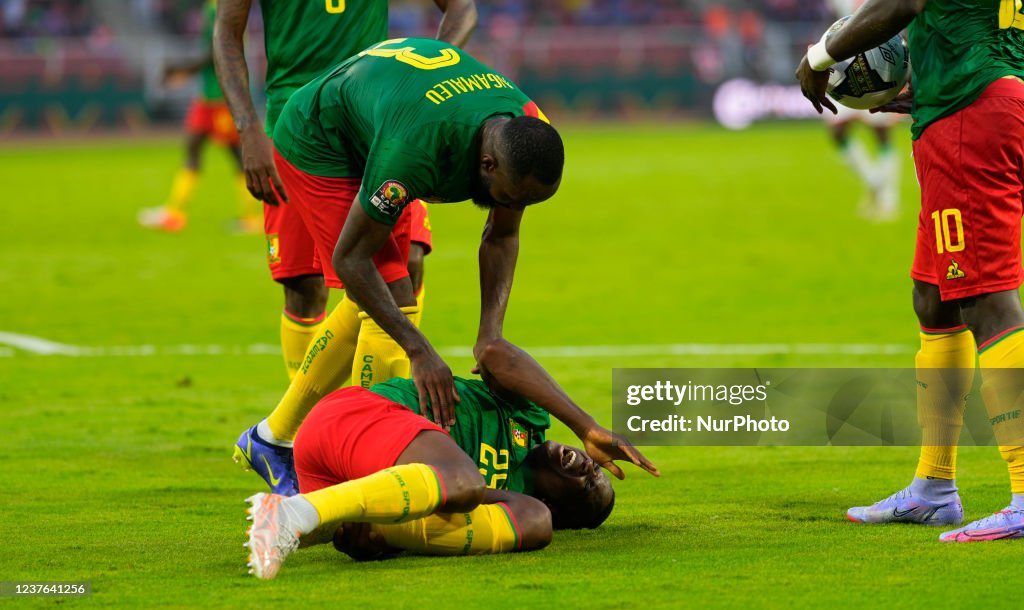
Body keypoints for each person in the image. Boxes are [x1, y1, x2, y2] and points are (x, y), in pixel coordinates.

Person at [232, 38, 565, 497]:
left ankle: (271, 439)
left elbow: (503, 233)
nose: (515, 207)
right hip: (320, 142)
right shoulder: (413, 151)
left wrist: (491, 335)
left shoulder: (526, 132)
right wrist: (419, 350)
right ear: (486, 163)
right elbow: (351, 259)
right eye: (511, 197)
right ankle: (362, 472)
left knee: (400, 274)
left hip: (383, 120)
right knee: (391, 294)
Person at [797, 0, 1024, 542]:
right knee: (934, 297)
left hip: (971, 114)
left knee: (987, 300)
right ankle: (933, 489)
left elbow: (904, 3)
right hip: (965, 104)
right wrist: (934, 84)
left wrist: (821, 55)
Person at [213, 0, 476, 380]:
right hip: (294, 126)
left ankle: (382, 411)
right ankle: (304, 425)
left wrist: (424, 77)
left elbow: (462, 8)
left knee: (408, 262)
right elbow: (226, 30)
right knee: (305, 285)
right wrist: (247, 127)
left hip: (374, 120)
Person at [243, 339, 660, 579]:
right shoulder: (528, 417)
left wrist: (380, 540)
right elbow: (495, 354)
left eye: (588, 487)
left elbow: (524, 515)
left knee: (533, 524)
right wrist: (585, 426)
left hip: (349, 481)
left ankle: (317, 518)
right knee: (462, 480)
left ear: (558, 503)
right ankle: (294, 513)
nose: (590, 468)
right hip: (351, 418)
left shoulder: (515, 503)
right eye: (598, 472)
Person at [138, 0, 260, 234]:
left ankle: (250, 216)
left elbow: (220, 49)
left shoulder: (222, 7)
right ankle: (175, 213)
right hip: (208, 96)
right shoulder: (213, 7)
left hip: (222, 95)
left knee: (237, 156)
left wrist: (185, 70)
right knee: (193, 147)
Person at [820, 0, 902, 222]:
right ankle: (874, 181)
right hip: (846, 69)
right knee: (837, 133)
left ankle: (889, 199)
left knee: (882, 134)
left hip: (879, 69)